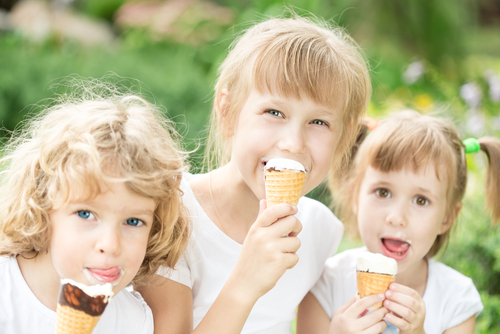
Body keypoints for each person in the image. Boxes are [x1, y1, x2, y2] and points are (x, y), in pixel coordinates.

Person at [135, 13, 372, 334]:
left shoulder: (320, 230)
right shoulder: (171, 213)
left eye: (319, 122)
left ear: (342, 139)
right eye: (274, 112)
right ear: (228, 111)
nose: (292, 143)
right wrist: (245, 283)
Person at [0, 78, 191, 334]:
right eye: (86, 214)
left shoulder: (134, 322)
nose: (110, 244)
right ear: (42, 209)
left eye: (133, 221)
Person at [297, 110, 499, 334]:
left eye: (421, 200)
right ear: (355, 197)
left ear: (447, 217)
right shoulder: (325, 283)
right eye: (383, 192)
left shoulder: (455, 298)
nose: (397, 218)